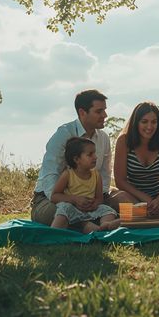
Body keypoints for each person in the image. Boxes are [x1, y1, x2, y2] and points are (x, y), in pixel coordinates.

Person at [31, 89, 133, 226]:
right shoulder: (63, 134)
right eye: (99, 111)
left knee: (124, 200)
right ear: (82, 113)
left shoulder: (103, 138)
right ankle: (91, 225)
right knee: (61, 214)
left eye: (104, 110)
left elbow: (104, 176)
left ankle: (100, 222)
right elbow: (51, 179)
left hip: (91, 200)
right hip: (50, 199)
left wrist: (97, 202)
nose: (105, 115)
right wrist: (72, 200)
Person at [51, 137, 121, 232]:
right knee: (64, 208)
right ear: (76, 159)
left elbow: (99, 198)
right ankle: (55, 232)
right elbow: (55, 196)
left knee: (107, 210)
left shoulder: (96, 175)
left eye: (95, 153)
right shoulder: (68, 174)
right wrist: (75, 199)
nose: (95, 157)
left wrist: (94, 205)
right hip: (73, 208)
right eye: (90, 154)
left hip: (91, 210)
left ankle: (105, 225)